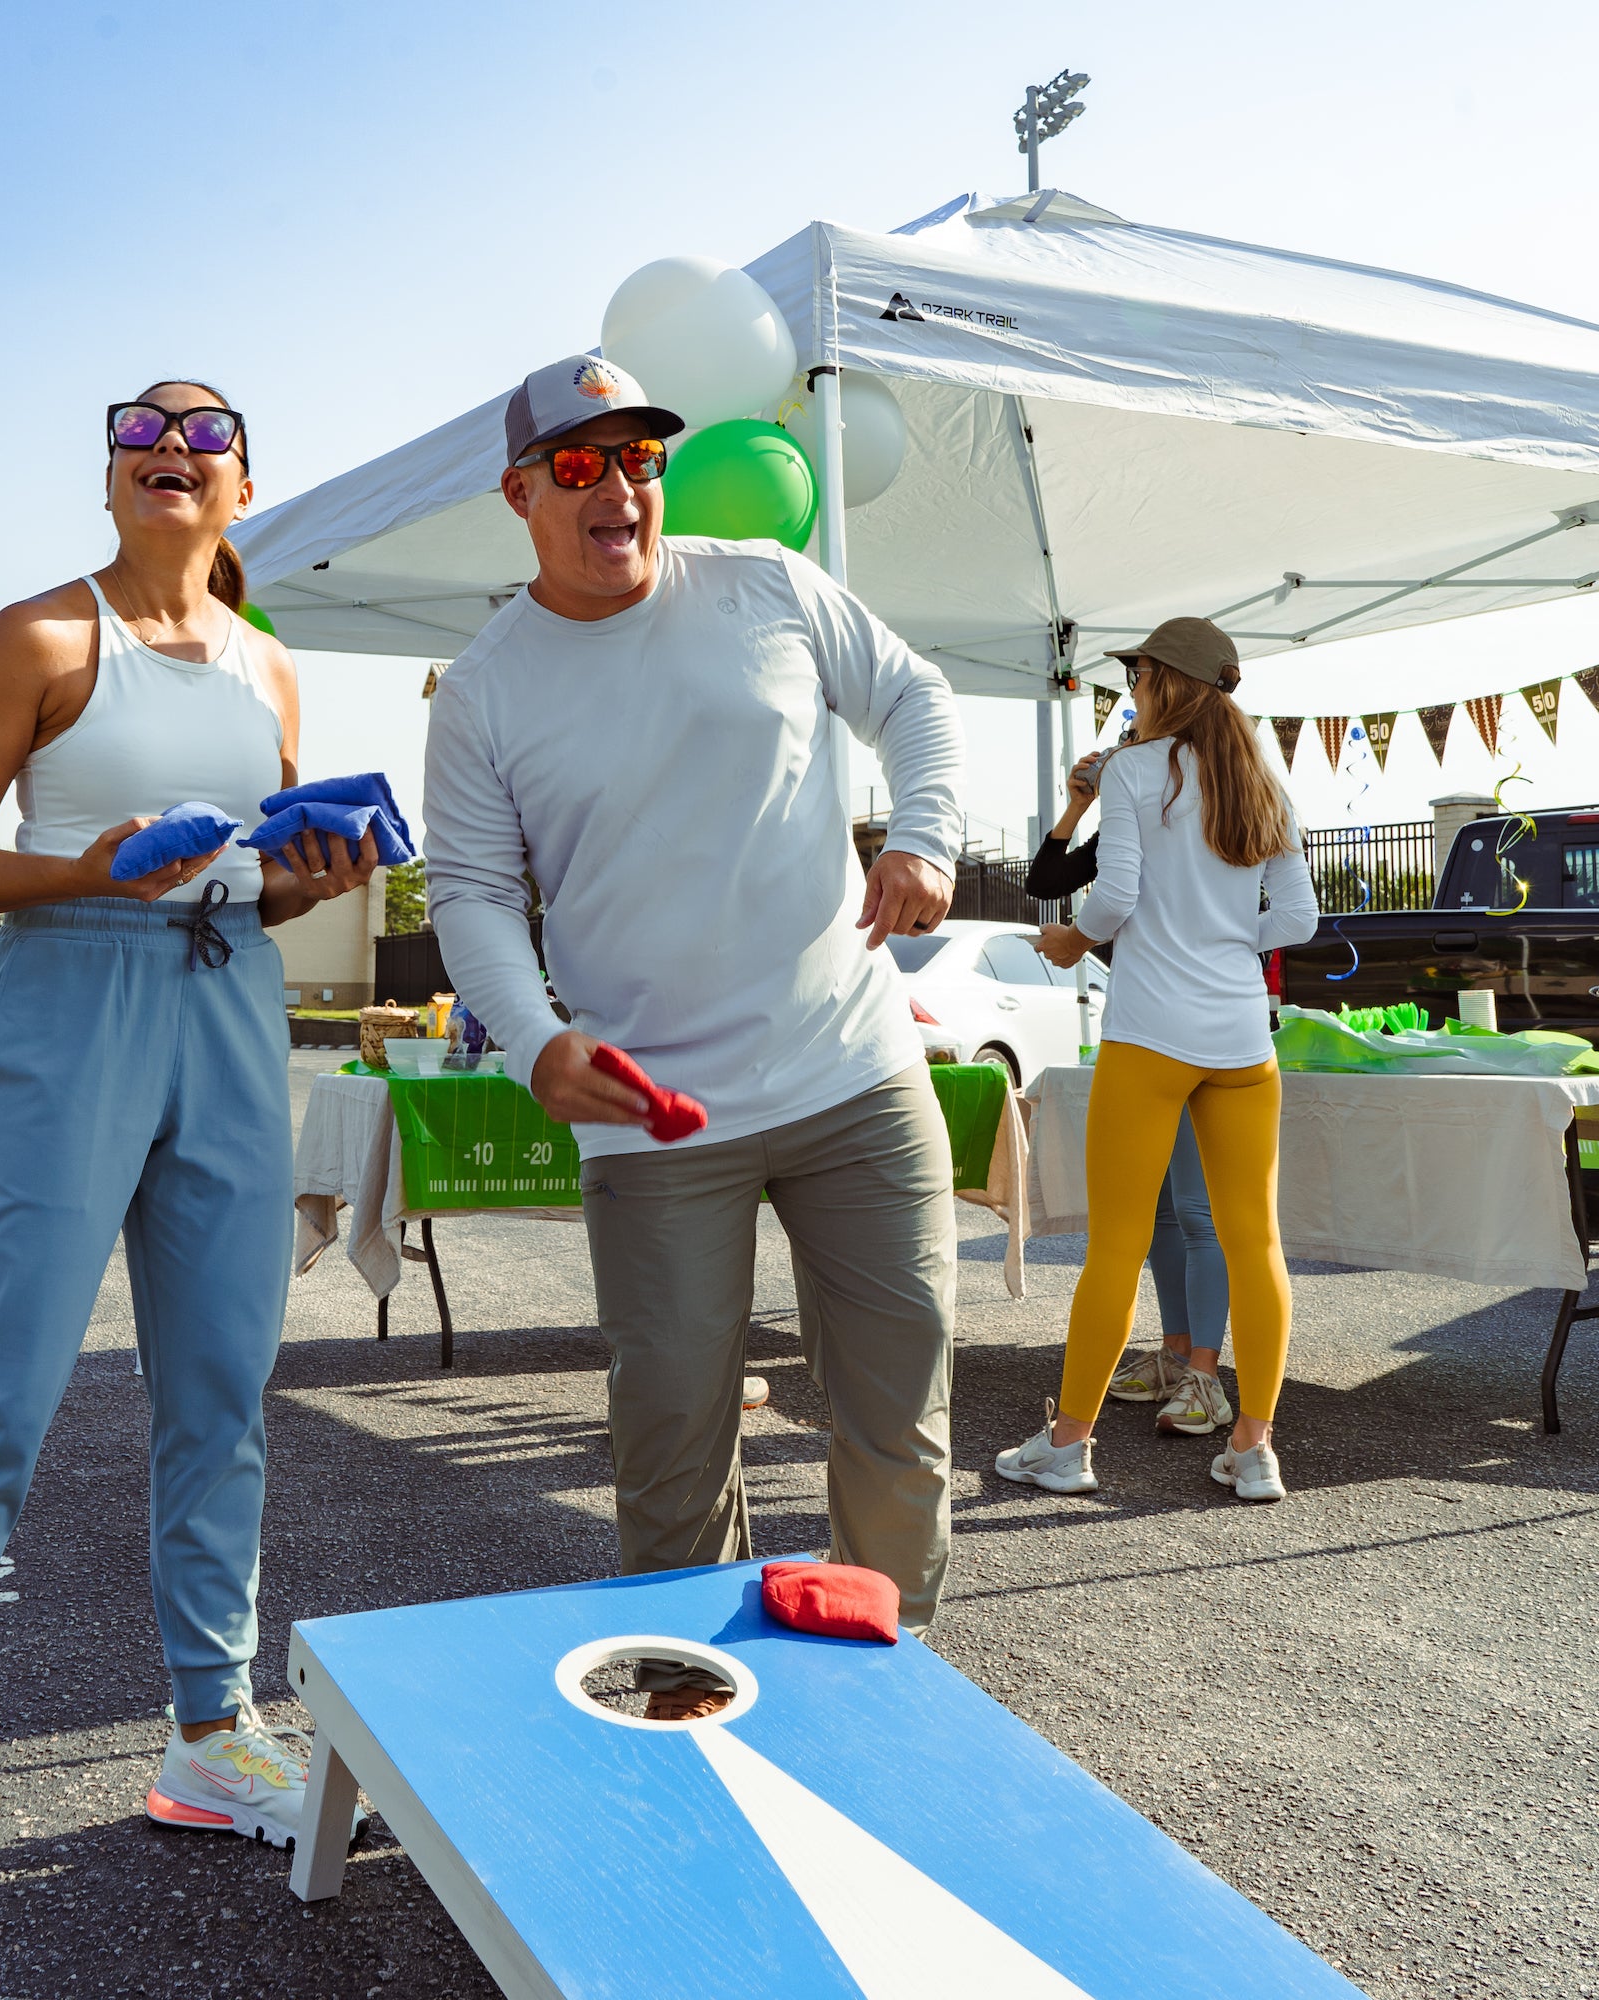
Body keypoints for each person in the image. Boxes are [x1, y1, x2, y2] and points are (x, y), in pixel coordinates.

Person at [0, 380, 378, 1956]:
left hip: (227, 1007)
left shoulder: (273, 667)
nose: (173, 449)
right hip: (70, 994)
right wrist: (85, 865)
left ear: (242, 487)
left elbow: (255, 887)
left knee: (220, 1392)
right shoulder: (42, 637)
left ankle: (209, 1737)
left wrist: (313, 876)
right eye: (145, 435)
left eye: (206, 437)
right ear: (113, 481)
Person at [423, 355, 966, 1717]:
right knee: (671, 1441)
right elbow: (476, 895)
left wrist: (926, 839)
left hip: (853, 1071)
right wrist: (535, 1038)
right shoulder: (487, 687)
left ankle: (885, 1703)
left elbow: (917, 698)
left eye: (642, 459)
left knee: (897, 1418)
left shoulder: (768, 584)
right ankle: (689, 1714)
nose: (620, 486)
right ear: (520, 494)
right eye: (581, 463)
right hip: (656, 1111)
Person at [994, 617, 1317, 1504]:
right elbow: (1295, 921)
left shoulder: (1137, 771)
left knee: (1116, 1248)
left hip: (1150, 1035)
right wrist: (1221, 942)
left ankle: (1068, 1447)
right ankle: (1253, 1450)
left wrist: (1070, 939)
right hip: (1243, 1043)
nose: (1130, 688)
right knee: (1257, 1245)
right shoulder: (1263, 778)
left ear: (1164, 682)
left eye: (1136, 674)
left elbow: (1116, 898)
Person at [1025, 744, 1236, 1438]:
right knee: (1166, 1217)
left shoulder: (1214, 807)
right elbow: (1047, 876)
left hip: (1203, 1027)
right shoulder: (1127, 810)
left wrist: (1081, 938)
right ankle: (1178, 1357)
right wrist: (1080, 803)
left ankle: (1206, 1375)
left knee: (1200, 1212)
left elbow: (1113, 905)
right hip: (1146, 1023)